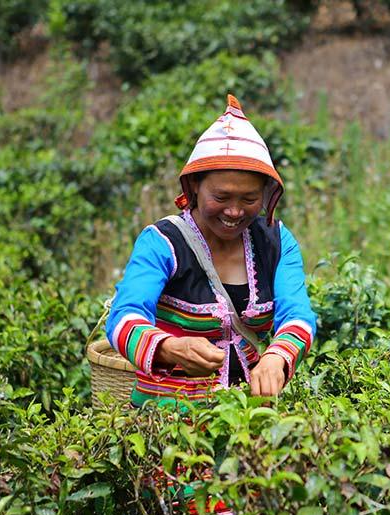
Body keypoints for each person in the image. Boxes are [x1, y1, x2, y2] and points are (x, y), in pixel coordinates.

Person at [106, 94, 317, 409]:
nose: (234, 212)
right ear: (194, 188)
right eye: (221, 196)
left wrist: (276, 357)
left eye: (248, 199)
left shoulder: (276, 241)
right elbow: (124, 316)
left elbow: (297, 315)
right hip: (165, 424)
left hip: (246, 417)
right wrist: (170, 347)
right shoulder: (161, 242)